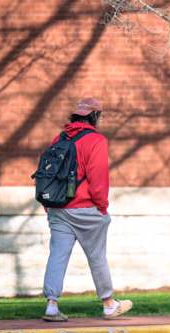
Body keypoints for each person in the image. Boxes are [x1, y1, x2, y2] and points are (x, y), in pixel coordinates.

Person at [41, 97, 132, 321]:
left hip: (58, 207)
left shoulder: (59, 138)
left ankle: (52, 305)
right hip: (85, 208)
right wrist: (102, 208)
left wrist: (48, 204)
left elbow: (48, 172)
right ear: (95, 116)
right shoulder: (96, 140)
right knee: (97, 256)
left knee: (57, 256)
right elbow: (98, 178)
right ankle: (109, 304)